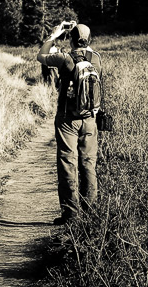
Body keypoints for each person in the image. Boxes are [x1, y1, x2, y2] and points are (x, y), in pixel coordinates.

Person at [37, 20, 101, 225]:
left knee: (68, 163)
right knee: (88, 164)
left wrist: (55, 34)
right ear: (89, 40)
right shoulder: (97, 59)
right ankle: (90, 214)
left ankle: (71, 215)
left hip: (67, 119)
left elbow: (41, 56)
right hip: (90, 119)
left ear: (71, 40)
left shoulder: (65, 59)